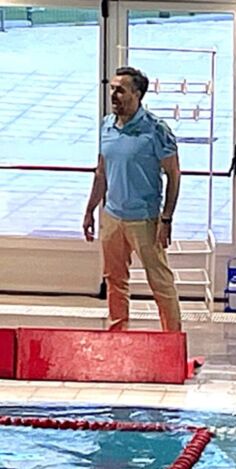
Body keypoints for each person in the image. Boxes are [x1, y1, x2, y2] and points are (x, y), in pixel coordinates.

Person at [82, 66, 181, 332]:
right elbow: (101, 172)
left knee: (159, 281)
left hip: (145, 219)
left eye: (120, 90)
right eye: (112, 89)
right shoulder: (106, 125)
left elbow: (173, 174)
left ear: (137, 95)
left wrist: (166, 218)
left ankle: (172, 338)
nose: (113, 95)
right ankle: (118, 334)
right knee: (114, 280)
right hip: (113, 217)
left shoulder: (156, 130)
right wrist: (91, 209)